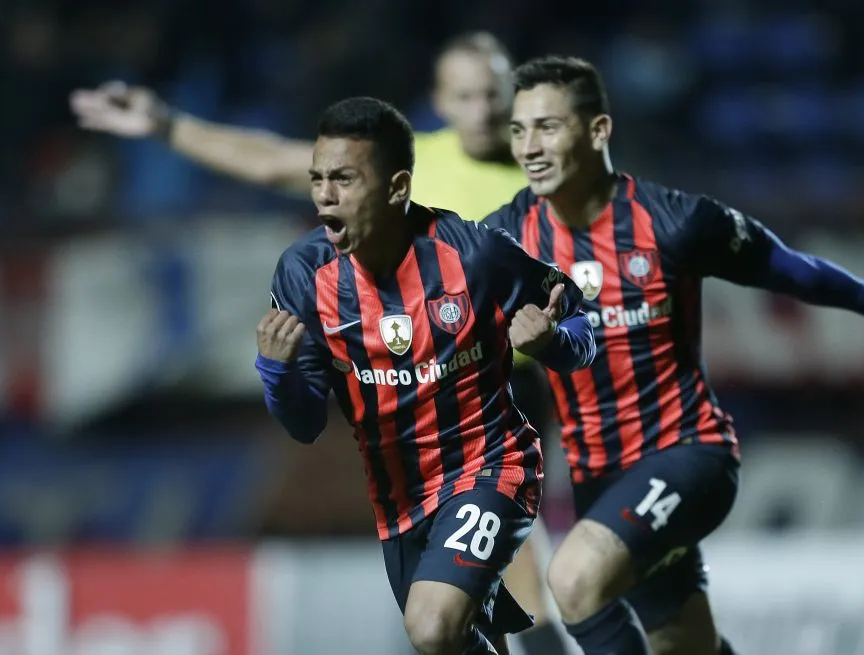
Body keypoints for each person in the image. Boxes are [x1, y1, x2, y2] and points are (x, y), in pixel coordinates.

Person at [69, 33, 569, 654]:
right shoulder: (398, 168)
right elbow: (268, 159)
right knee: (458, 606)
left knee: (524, 569)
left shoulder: (552, 170)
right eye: (466, 95)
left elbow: (598, 278)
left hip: (512, 381)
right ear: (440, 101)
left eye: (494, 93)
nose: (484, 108)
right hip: (407, 400)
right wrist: (168, 125)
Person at [478, 56, 864, 655]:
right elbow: (429, 312)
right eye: (519, 131)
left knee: (572, 579)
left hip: (689, 455)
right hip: (600, 481)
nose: (530, 147)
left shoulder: (674, 222)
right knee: (683, 644)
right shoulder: (506, 240)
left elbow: (790, 270)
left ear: (597, 131)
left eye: (548, 127)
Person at [253, 95, 595, 655]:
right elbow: (305, 422)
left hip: (491, 467)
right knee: (455, 641)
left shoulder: (475, 255)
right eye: (317, 178)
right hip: (400, 500)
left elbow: (579, 319)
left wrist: (553, 340)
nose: (323, 195)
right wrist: (277, 371)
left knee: (431, 625)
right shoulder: (304, 272)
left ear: (395, 187)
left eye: (344, 178)